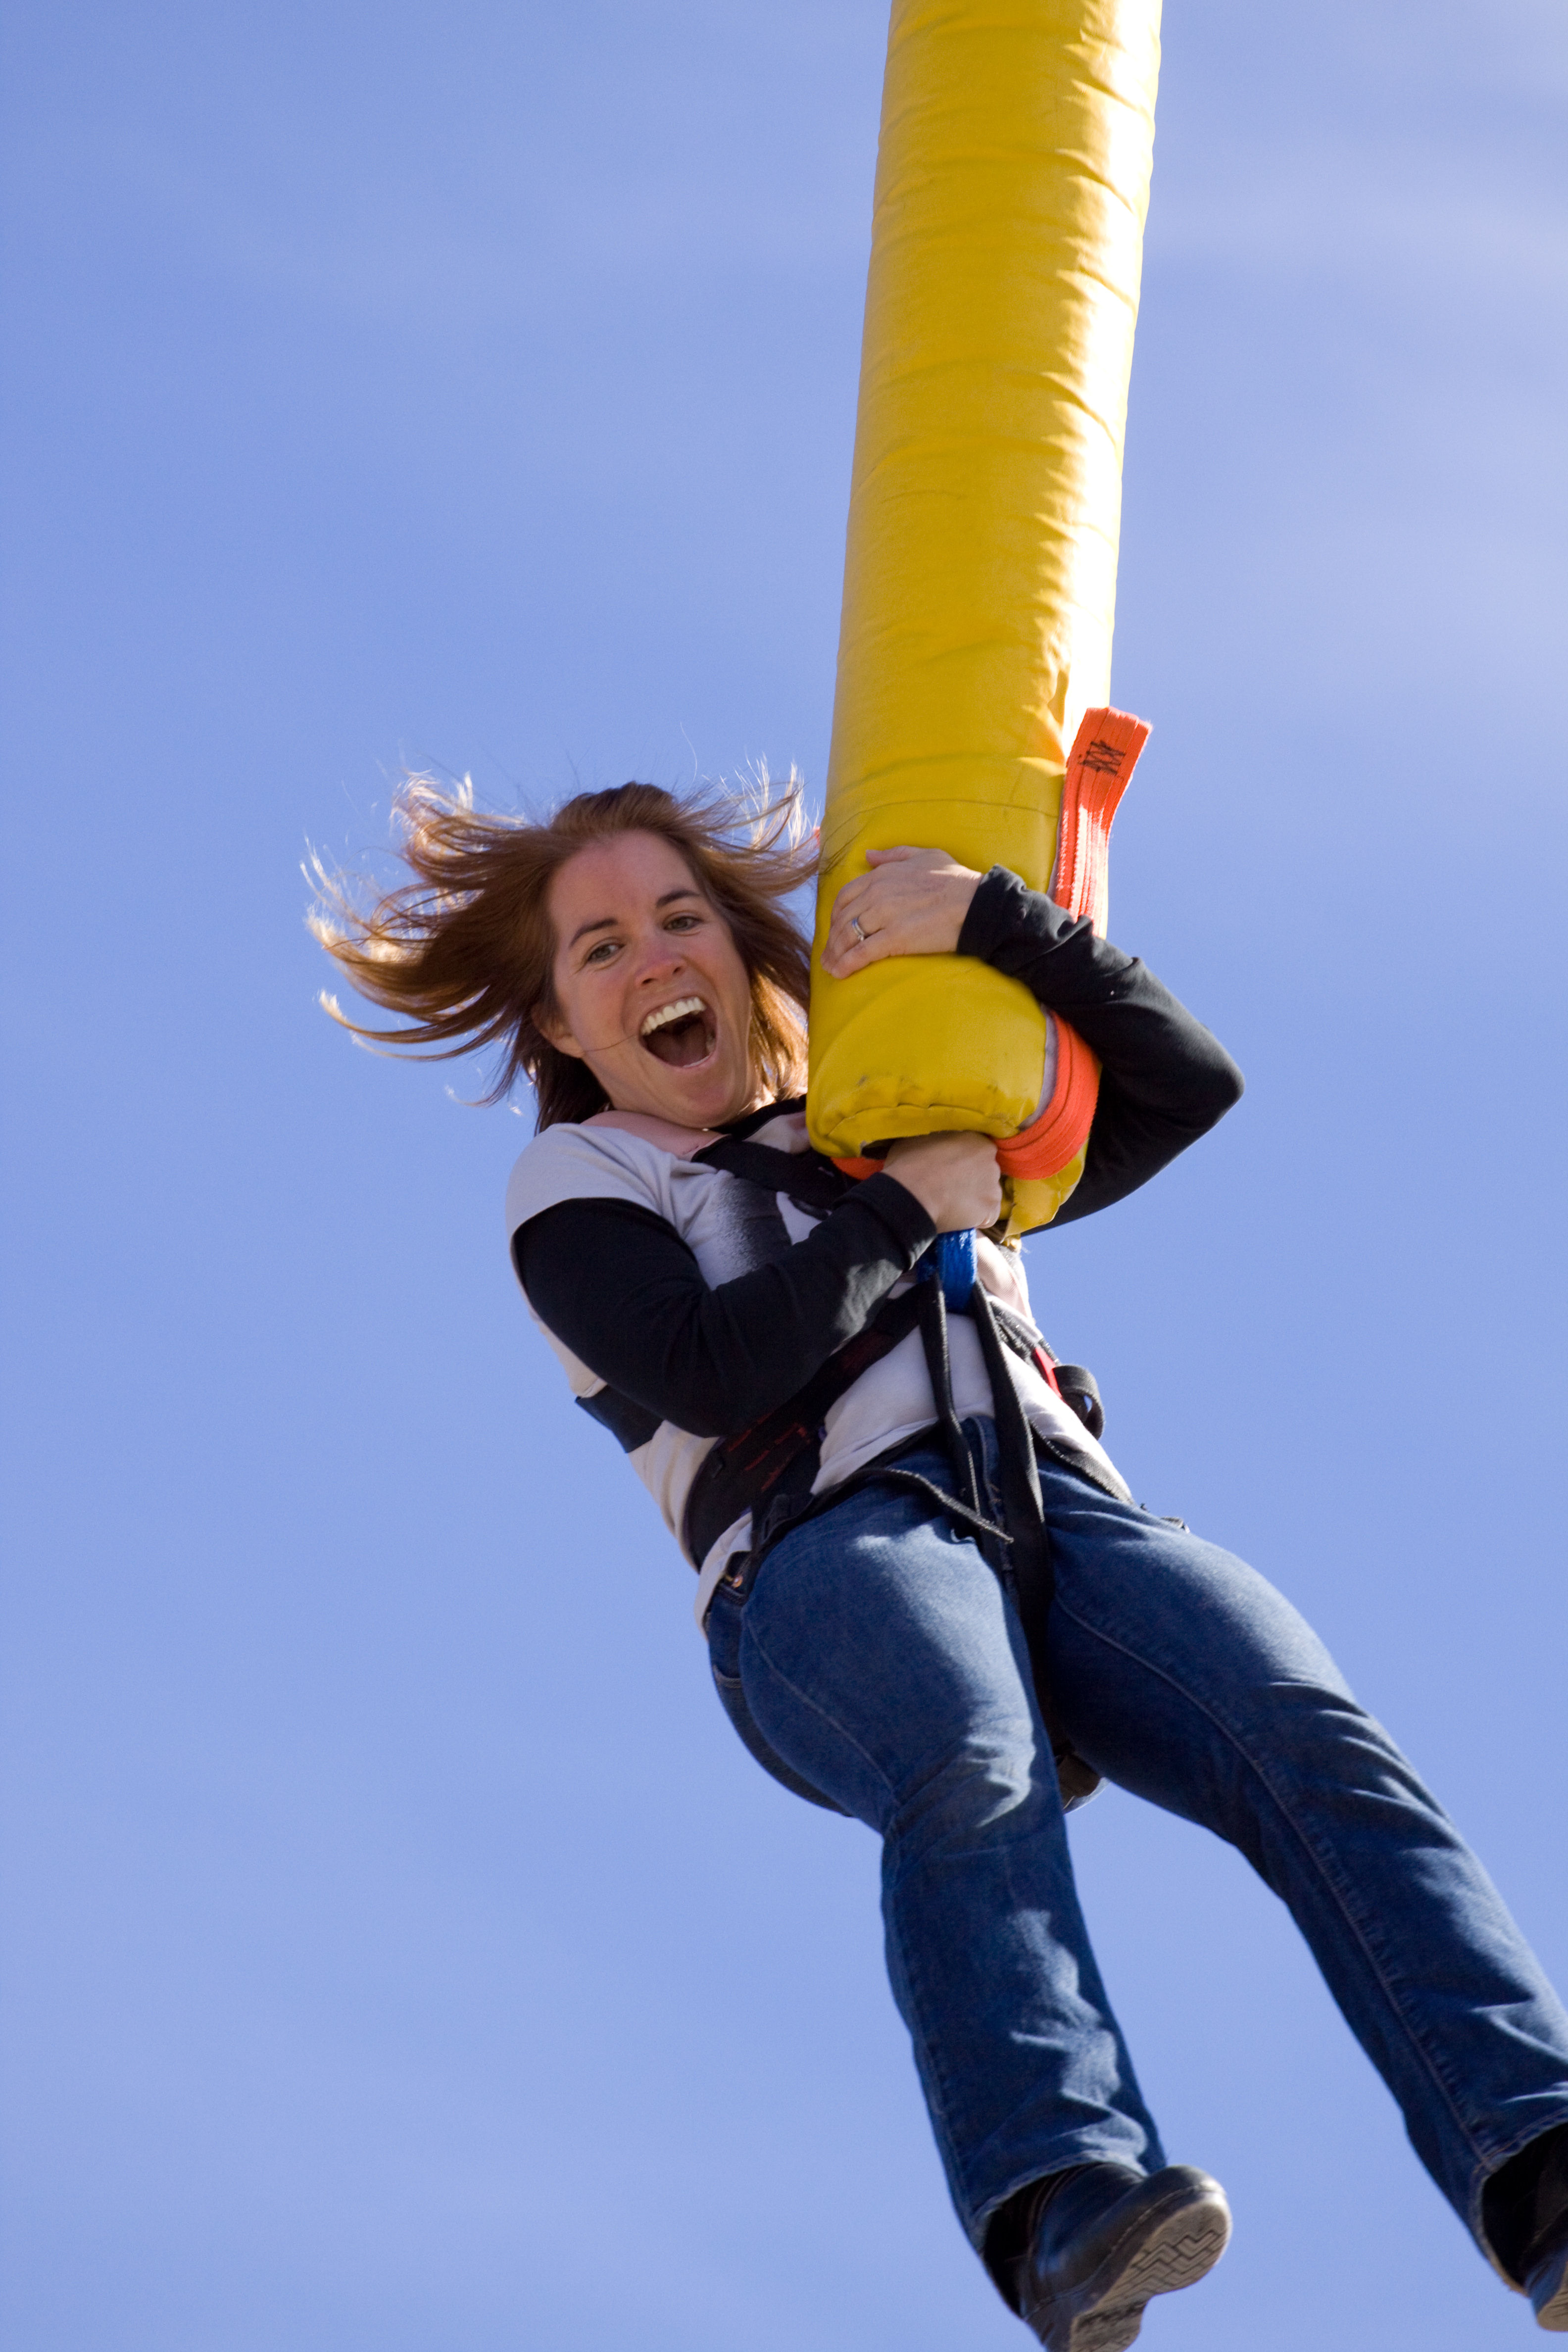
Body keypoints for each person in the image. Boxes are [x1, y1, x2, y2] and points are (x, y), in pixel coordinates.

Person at [313, 775, 1568, 2350]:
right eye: (604, 947)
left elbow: (1189, 1087)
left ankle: (1538, 2159)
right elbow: (716, 1365)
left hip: (1061, 1516)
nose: (656, 961)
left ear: (747, 952)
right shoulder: (581, 1190)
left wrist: (992, 927)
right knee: (971, 1757)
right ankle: (1062, 2200)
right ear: (566, 1024)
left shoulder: (896, 1096)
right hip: (825, 1564)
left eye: (684, 918)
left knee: (1309, 1736)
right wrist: (909, 1208)